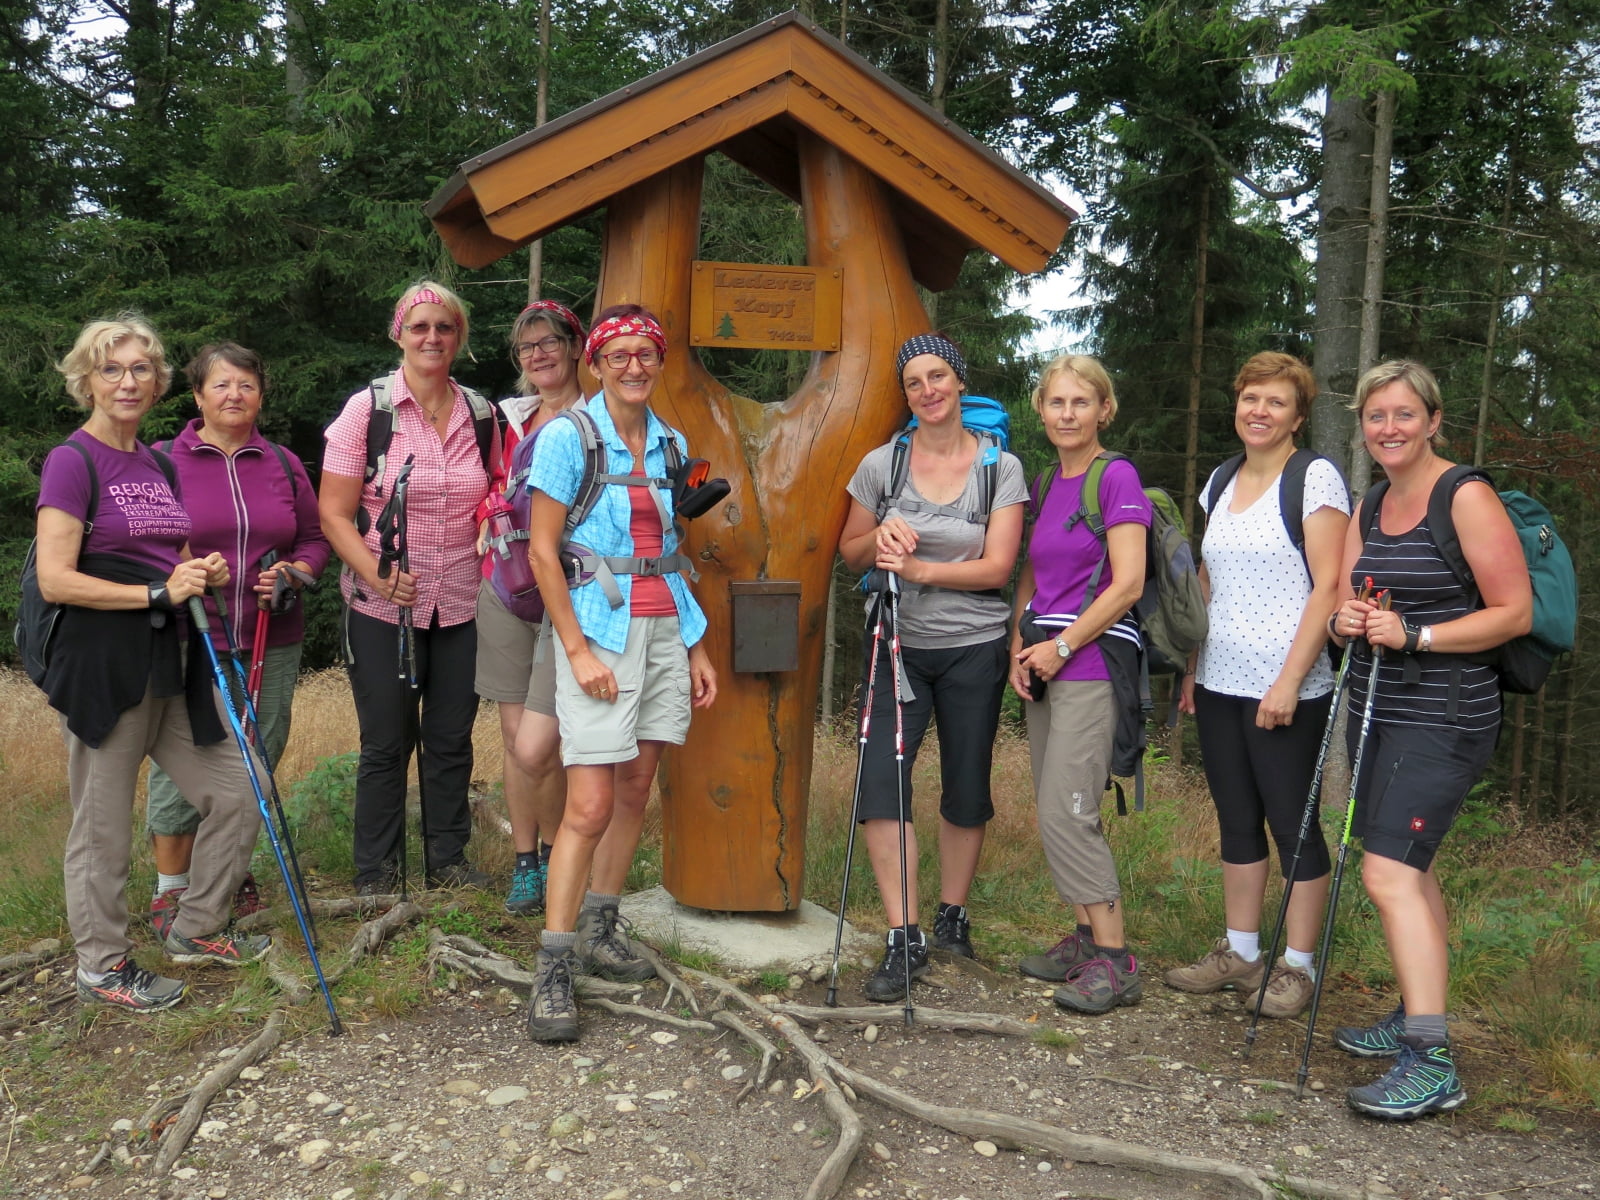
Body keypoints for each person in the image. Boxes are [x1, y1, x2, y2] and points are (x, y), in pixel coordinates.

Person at [35, 315, 270, 1012]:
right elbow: (56, 578)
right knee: (102, 826)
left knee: (242, 789)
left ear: (160, 380)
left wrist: (200, 570)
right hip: (105, 668)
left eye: (141, 368)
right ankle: (102, 964)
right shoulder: (72, 461)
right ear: (87, 381)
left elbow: (169, 556)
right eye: (111, 369)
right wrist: (155, 593)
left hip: (172, 664)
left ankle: (195, 928)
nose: (128, 381)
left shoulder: (157, 463)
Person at [1328, 360, 1530, 1120]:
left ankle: (1432, 1061)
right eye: (1376, 416)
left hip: (1447, 712)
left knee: (1387, 874)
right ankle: (1419, 1010)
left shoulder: (1463, 495)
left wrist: (1416, 635)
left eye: (1404, 414)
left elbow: (1513, 612)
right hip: (1378, 706)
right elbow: (1346, 603)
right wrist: (1347, 619)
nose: (1389, 428)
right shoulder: (1372, 503)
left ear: (1433, 420)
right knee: (1413, 867)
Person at [523, 304, 717, 1042]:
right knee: (589, 805)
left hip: (664, 624)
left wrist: (696, 646)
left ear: (659, 360)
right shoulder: (567, 437)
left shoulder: (671, 442)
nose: (634, 367)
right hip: (599, 629)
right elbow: (543, 551)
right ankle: (553, 963)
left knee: (637, 784)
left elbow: (669, 551)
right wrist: (575, 651)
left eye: (646, 354)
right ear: (596, 364)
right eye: (618, 355)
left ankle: (602, 928)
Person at [837, 333, 1026, 1002]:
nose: (928, 390)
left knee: (966, 786)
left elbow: (998, 568)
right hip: (896, 643)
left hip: (975, 646)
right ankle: (904, 934)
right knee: (880, 785)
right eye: (914, 382)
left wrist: (918, 568)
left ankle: (952, 915)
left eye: (938, 376)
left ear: (959, 380)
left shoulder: (999, 468)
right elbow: (850, 552)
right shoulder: (882, 464)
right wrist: (878, 536)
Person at [1166, 353, 1349, 1018]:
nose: (1260, 411)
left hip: (1288, 687)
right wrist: (1192, 669)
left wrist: (1289, 681)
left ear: (1298, 416)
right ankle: (1241, 953)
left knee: (1293, 824)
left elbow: (1328, 586)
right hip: (1220, 679)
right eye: (1251, 399)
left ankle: (1297, 967)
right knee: (1236, 818)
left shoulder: (1315, 478)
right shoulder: (1220, 480)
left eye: (1276, 402)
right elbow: (1206, 582)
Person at [146, 343, 330, 938]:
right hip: (191, 638)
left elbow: (314, 539)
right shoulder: (161, 462)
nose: (234, 395)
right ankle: (172, 888)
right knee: (191, 761)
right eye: (221, 384)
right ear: (198, 396)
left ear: (260, 395)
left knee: (259, 756)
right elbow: (140, 545)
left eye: (246, 385)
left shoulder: (282, 462)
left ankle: (225, 874)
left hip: (273, 634)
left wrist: (297, 572)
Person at [320, 281, 496, 894]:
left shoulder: (481, 414)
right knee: (387, 742)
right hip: (380, 606)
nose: (432, 337)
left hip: (462, 602)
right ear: (399, 334)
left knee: (450, 737)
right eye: (419, 326)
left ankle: (447, 862)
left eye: (444, 327)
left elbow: (496, 493)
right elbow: (333, 515)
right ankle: (377, 873)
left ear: (459, 337)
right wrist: (377, 572)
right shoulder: (367, 411)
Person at [1009, 354, 1149, 1015]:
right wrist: (1019, 646)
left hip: (1090, 666)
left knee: (1070, 811)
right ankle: (1087, 937)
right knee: (1051, 805)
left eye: (1081, 402)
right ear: (1041, 410)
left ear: (1104, 410)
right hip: (1044, 661)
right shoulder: (1046, 482)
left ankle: (1117, 962)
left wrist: (1062, 646)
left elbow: (1129, 583)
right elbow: (1033, 576)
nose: (1067, 414)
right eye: (1057, 402)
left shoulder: (1115, 477)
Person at [475, 301, 584, 915]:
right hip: (506, 582)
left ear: (574, 346)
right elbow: (487, 486)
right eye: (527, 347)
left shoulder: (598, 417)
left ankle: (558, 852)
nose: (538, 355)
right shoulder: (506, 419)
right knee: (517, 736)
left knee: (552, 739)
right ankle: (527, 863)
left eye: (549, 343)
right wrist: (484, 515)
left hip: (572, 589)